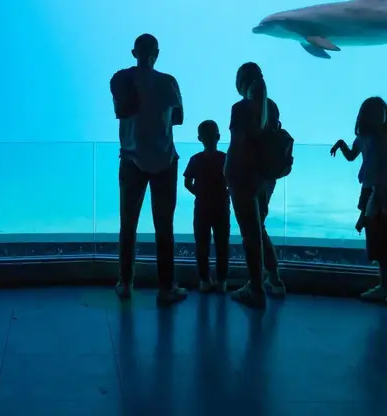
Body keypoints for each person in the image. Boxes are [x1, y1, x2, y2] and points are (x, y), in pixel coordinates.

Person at [110, 33, 187, 305]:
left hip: (131, 160)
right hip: (165, 161)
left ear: (134, 53)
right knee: (164, 227)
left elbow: (121, 111)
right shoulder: (168, 82)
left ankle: (126, 283)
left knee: (127, 225)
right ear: (157, 53)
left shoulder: (121, 79)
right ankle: (166, 288)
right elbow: (178, 118)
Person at [331, 96, 387, 306]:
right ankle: (386, 284)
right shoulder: (366, 140)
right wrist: (341, 144)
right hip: (370, 194)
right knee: (378, 239)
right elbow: (352, 155)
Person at [224, 62, 287, 309]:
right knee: (257, 228)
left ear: (241, 83)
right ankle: (274, 279)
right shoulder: (271, 107)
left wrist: (227, 174)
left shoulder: (240, 108)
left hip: (243, 178)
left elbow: (236, 145)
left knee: (250, 234)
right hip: (265, 179)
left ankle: (255, 288)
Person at [183, 120, 230, 293]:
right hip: (221, 207)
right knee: (222, 244)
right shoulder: (225, 158)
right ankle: (221, 281)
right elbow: (233, 180)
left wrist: (200, 193)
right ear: (218, 137)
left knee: (202, 244)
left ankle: (204, 279)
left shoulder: (195, 159)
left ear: (199, 138)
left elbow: (187, 183)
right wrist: (226, 193)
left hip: (202, 207)